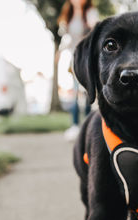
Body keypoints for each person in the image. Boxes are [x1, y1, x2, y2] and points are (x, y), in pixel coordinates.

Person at [58, 0, 99, 141]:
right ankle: (75, 126)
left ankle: (88, 125)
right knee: (74, 93)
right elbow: (66, 37)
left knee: (88, 93)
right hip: (74, 59)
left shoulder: (90, 13)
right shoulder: (68, 15)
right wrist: (60, 52)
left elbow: (94, 32)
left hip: (87, 58)